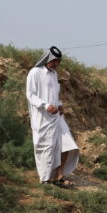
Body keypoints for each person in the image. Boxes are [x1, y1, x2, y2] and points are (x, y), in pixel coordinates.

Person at [26, 46, 80, 187]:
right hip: (42, 118)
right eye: (54, 61)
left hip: (56, 117)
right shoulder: (35, 73)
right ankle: (45, 179)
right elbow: (31, 95)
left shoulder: (54, 75)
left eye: (58, 62)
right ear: (48, 59)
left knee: (65, 145)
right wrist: (45, 105)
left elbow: (54, 95)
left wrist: (59, 105)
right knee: (46, 147)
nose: (56, 64)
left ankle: (58, 176)